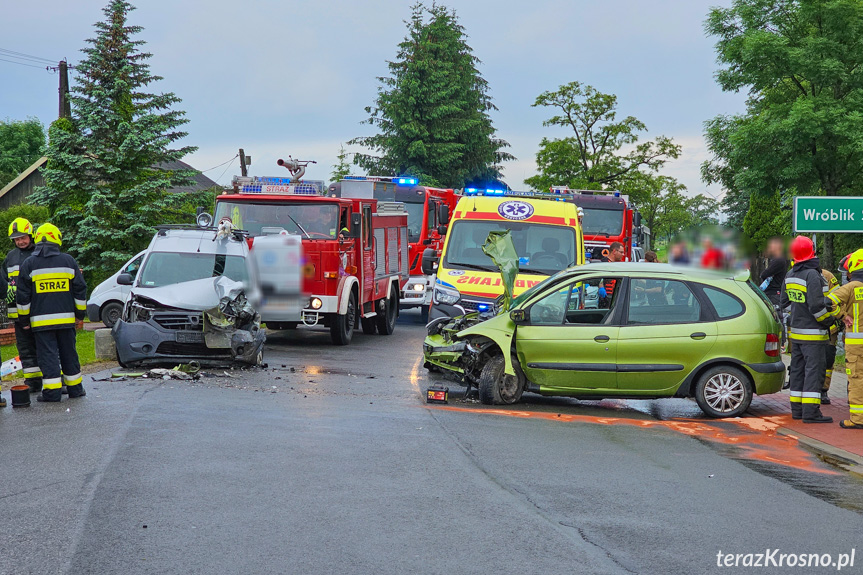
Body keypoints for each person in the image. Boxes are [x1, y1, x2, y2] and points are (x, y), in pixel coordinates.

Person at [16, 223, 88, 403]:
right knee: (69, 353)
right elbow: (80, 289)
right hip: (66, 320)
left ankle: (52, 393)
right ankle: (76, 389)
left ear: (37, 239)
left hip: (41, 323)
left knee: (47, 356)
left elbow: (23, 296)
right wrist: (80, 315)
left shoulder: (29, 264)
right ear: (57, 239)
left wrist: (24, 320)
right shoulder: (68, 261)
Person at [781, 236, 839, 423]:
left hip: (796, 333)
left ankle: (797, 411)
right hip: (813, 335)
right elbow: (817, 308)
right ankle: (811, 413)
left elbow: (785, 303)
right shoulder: (813, 275)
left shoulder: (790, 274)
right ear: (811, 251)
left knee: (797, 371)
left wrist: (799, 313)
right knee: (814, 372)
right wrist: (830, 322)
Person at [2, 218, 43, 393]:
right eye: (17, 239)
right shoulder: (10, 257)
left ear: (31, 235)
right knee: (26, 350)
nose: (20, 241)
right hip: (18, 313)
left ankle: (55, 379)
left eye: (23, 237)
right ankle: (33, 382)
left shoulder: (39, 253)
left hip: (38, 311)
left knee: (46, 346)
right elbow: (4, 283)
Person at [826, 249, 863, 429]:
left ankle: (857, 420)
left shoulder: (851, 287)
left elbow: (828, 302)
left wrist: (842, 316)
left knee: (856, 379)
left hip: (856, 346)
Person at [820, 267, 841, 405]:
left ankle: (823, 390)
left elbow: (839, 298)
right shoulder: (797, 275)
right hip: (809, 326)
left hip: (829, 326)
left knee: (828, 359)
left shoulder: (827, 276)